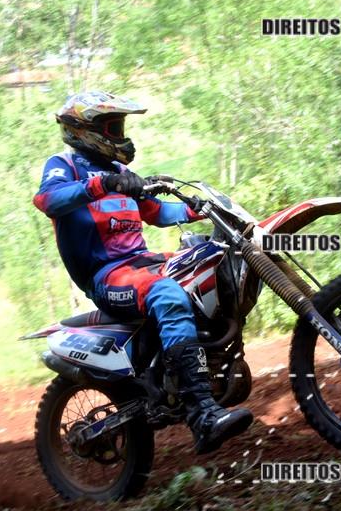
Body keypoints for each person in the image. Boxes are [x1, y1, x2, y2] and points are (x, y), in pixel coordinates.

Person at [33, 91, 253, 455]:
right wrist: (101, 185)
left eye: (120, 127)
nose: (120, 135)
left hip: (141, 262)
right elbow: (48, 200)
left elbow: (158, 212)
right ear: (84, 130)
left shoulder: (120, 173)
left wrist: (198, 209)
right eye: (113, 128)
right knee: (168, 294)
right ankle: (201, 413)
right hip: (107, 275)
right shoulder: (65, 165)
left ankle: (197, 366)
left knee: (209, 262)